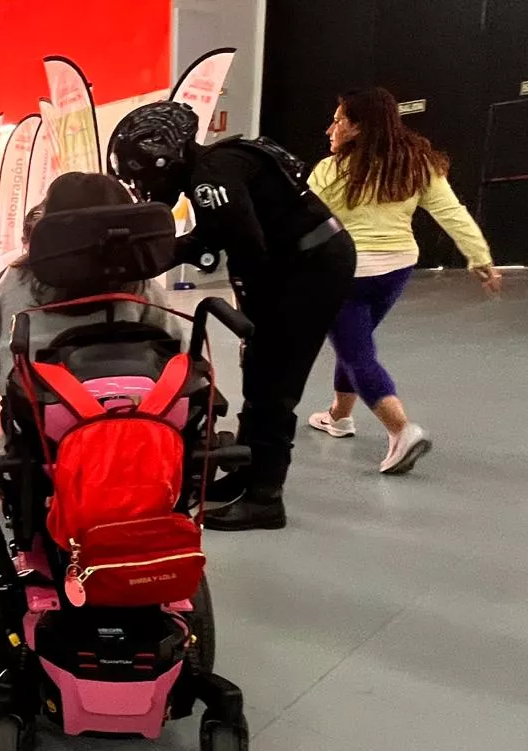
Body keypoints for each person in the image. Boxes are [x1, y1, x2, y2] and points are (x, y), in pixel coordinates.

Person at [108, 101, 356, 531]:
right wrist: (145, 261)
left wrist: (256, 324)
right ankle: (246, 471)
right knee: (261, 368)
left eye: (141, 174)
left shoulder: (212, 179)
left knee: (274, 377)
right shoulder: (217, 166)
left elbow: (248, 252)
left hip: (309, 267)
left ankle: (265, 498)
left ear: (162, 162)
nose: (142, 185)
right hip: (311, 257)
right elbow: (213, 235)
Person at [307, 87, 501, 474]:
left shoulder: (330, 172)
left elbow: (302, 226)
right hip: (396, 270)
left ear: (358, 127)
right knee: (355, 343)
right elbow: (452, 212)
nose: (331, 129)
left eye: (339, 120)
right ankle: (340, 417)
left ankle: (401, 431)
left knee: (357, 352)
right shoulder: (414, 163)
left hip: (347, 273)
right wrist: (480, 257)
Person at [0, 175, 181, 396]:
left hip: (38, 422)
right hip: (134, 418)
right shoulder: (139, 285)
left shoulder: (15, 280)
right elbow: (177, 352)